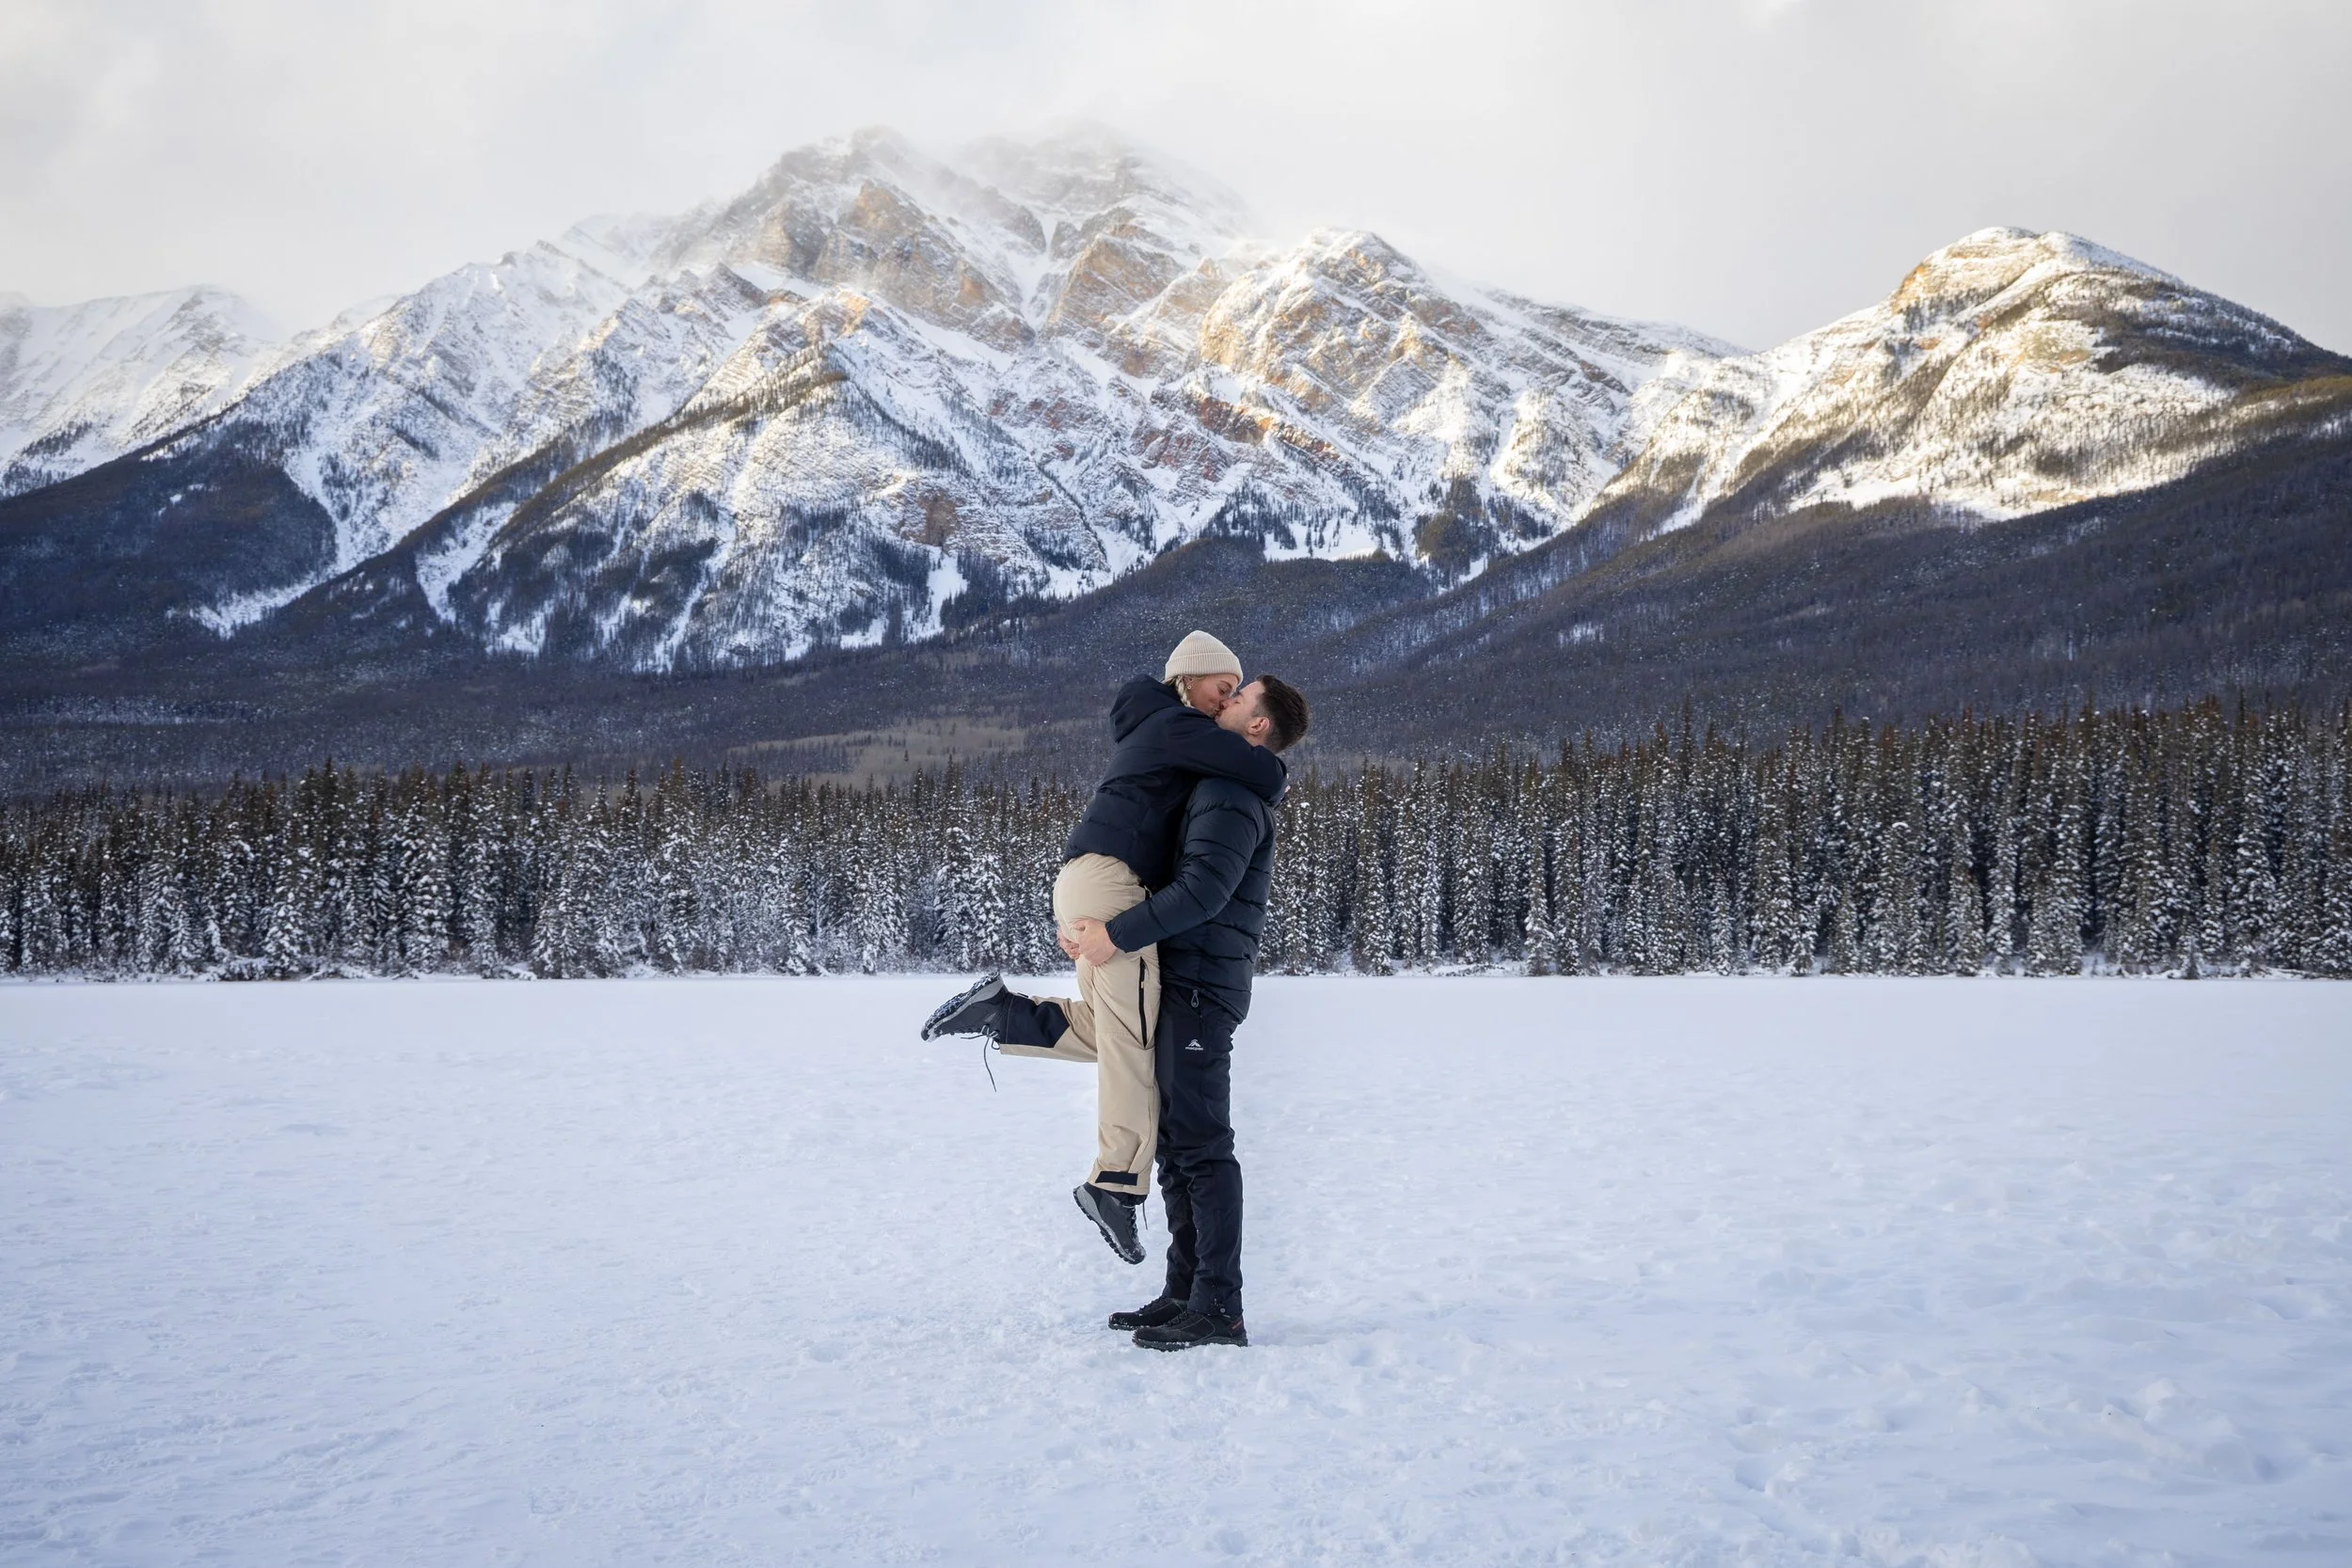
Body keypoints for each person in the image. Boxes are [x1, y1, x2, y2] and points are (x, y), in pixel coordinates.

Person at [919, 632, 1286, 1266]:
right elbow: (1257, 766)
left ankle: (1001, 1013)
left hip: (1092, 881)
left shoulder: (1162, 723)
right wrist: (1276, 765)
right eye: (1222, 687)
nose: (1223, 699)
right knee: (1131, 1040)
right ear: (1191, 680)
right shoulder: (1178, 724)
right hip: (1112, 888)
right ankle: (1114, 1182)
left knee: (1119, 1025)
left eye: (1234, 692)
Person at [1071, 674, 1310, 1350]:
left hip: (1202, 988)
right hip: (1186, 981)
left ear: (1257, 726)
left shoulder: (1233, 794)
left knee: (1202, 1146)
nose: (1224, 703)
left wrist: (1117, 935)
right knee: (1179, 1145)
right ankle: (1185, 1289)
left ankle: (1219, 1306)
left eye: (1240, 699)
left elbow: (1204, 890)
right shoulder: (1220, 781)